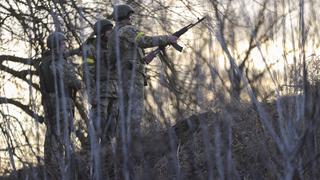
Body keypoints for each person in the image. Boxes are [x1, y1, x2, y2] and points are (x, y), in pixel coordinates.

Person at [107, 4, 178, 177]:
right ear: (125, 16)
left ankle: (122, 157)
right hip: (131, 80)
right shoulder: (126, 30)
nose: (131, 18)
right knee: (134, 118)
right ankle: (133, 157)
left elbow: (124, 57)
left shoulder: (115, 34)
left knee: (124, 119)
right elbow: (144, 41)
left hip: (123, 79)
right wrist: (167, 38)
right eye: (130, 16)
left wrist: (142, 60)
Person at [39, 31, 82, 179]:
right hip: (62, 105)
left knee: (51, 140)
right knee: (65, 139)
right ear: (57, 47)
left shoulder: (43, 63)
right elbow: (76, 83)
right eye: (63, 44)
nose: (65, 47)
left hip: (49, 107)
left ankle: (52, 172)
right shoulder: (60, 63)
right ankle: (67, 173)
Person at [81, 19, 118, 178]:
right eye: (109, 31)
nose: (112, 33)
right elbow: (88, 73)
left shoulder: (113, 47)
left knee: (112, 125)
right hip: (100, 92)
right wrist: (92, 95)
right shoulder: (91, 48)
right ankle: (87, 157)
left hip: (115, 92)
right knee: (97, 124)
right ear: (102, 33)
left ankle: (107, 157)